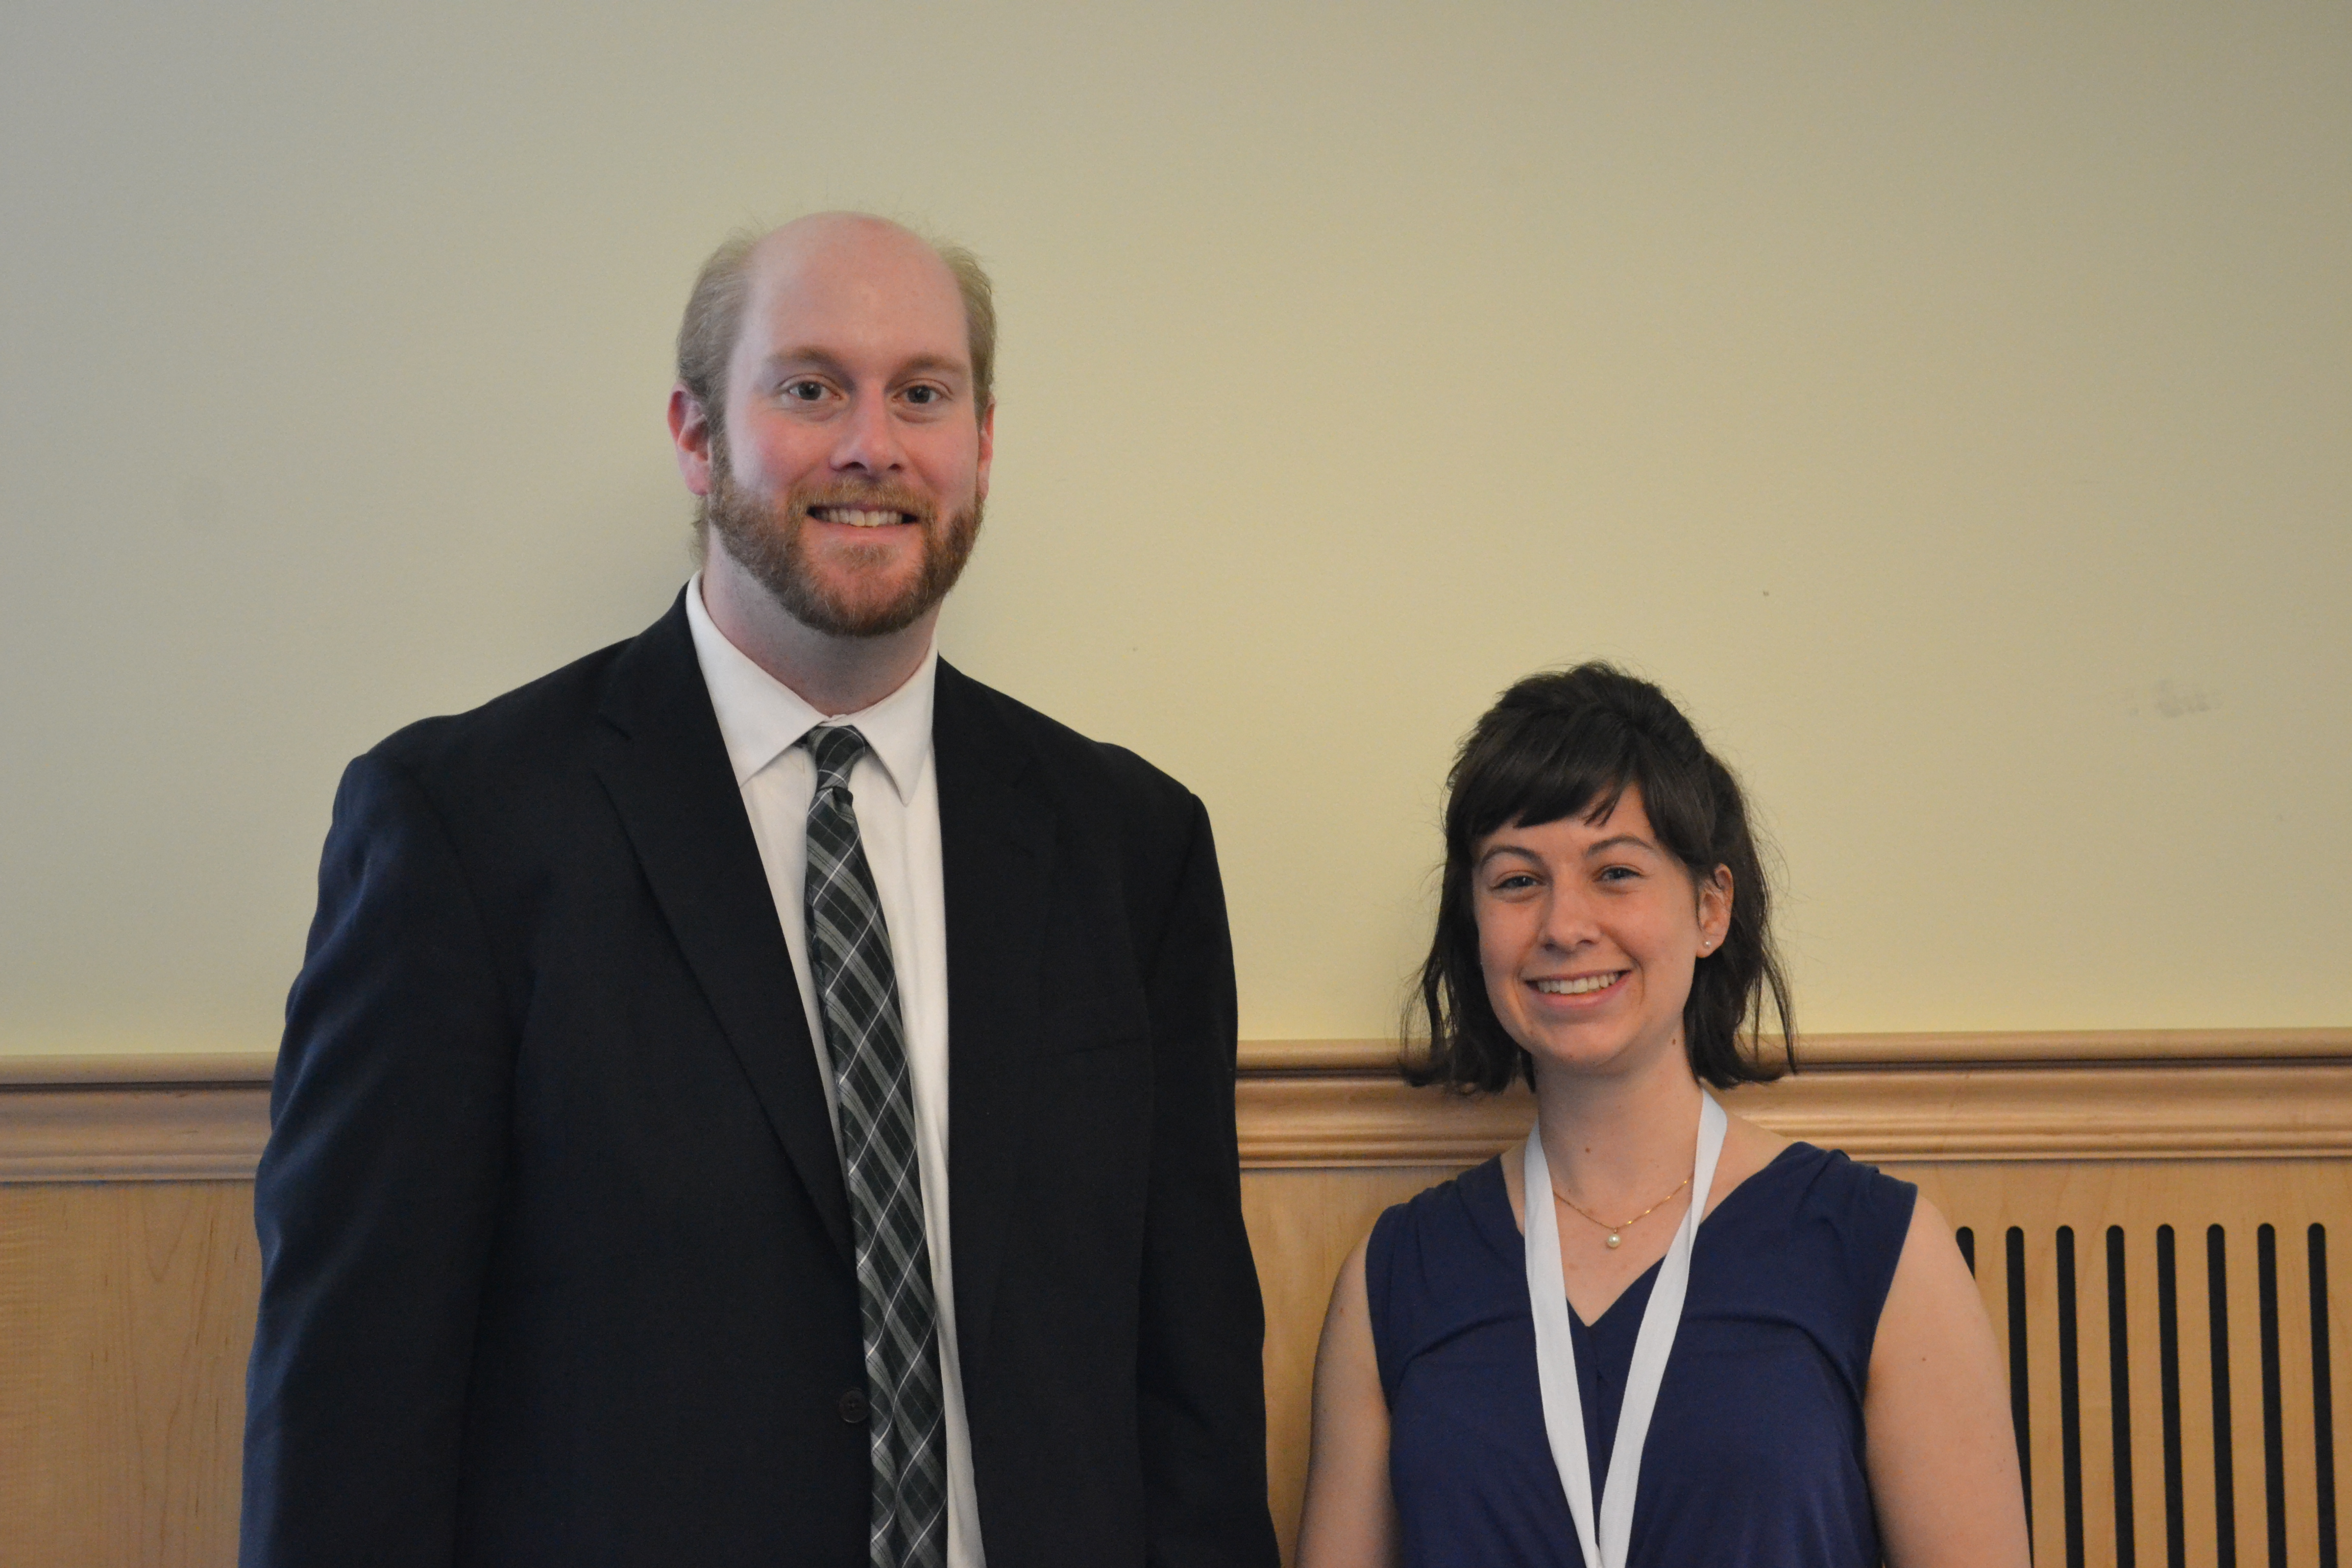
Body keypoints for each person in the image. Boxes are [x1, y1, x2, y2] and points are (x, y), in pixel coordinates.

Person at [241, 213, 1279, 1568]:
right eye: (808, 388)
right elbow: (353, 1406)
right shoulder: (466, 829)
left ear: (981, 442)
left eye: (923, 393)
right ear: (695, 435)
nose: (873, 444)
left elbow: (1191, 1379)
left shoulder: (1131, 847)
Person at [1294, 665, 2026, 1568]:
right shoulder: (1397, 1277)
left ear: (1710, 908)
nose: (1565, 925)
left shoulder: (1877, 1248)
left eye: (1616, 873)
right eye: (1518, 881)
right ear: (1475, 923)